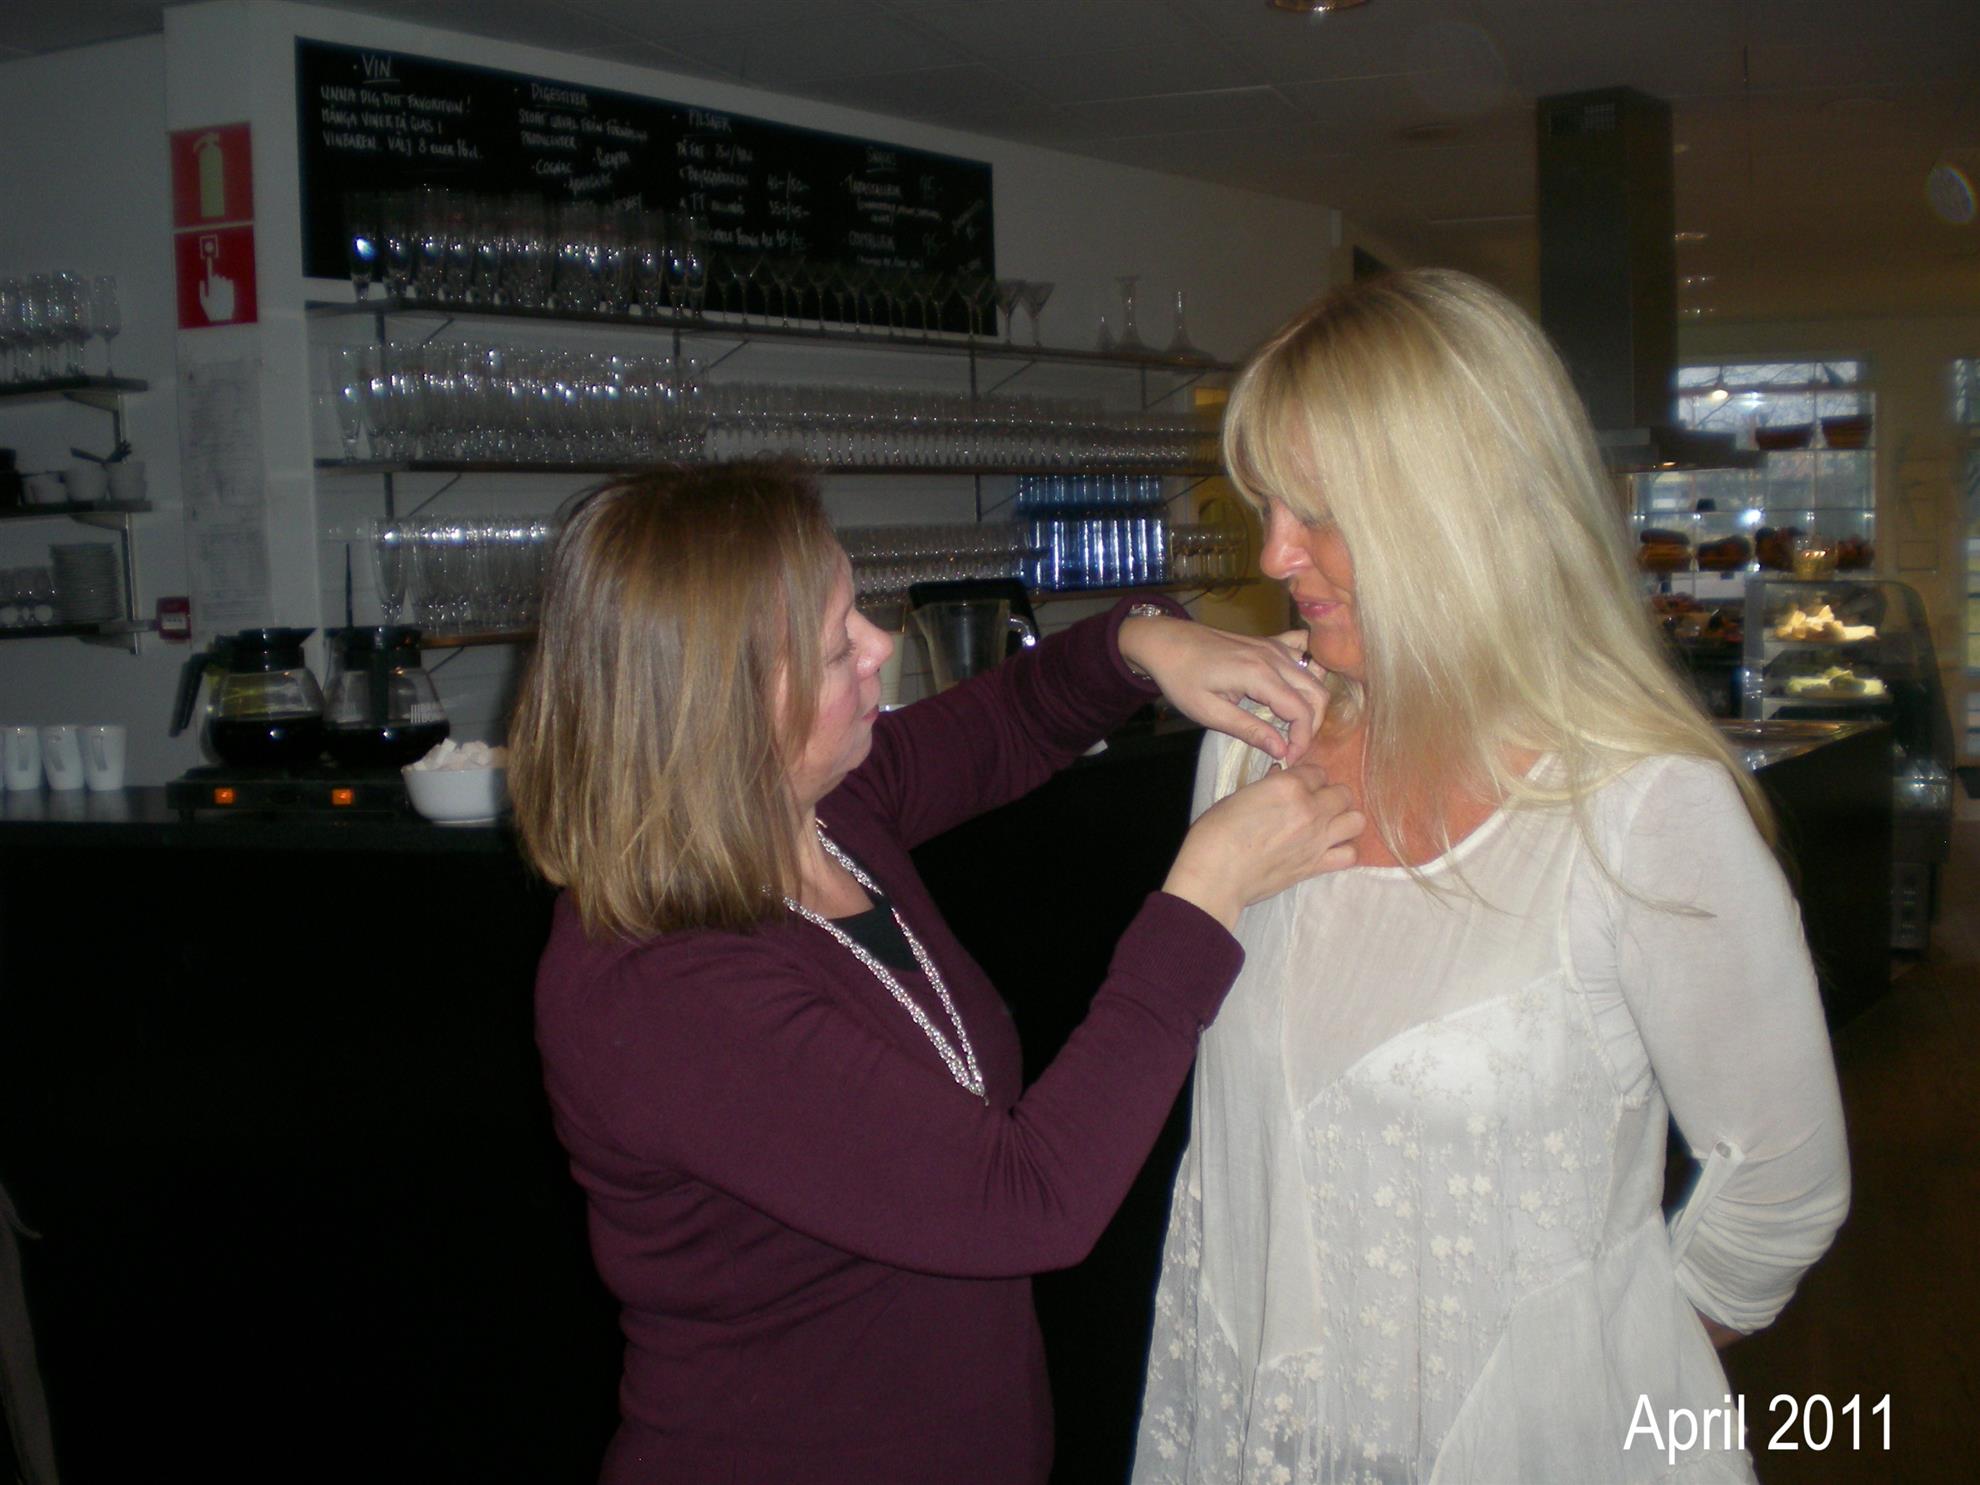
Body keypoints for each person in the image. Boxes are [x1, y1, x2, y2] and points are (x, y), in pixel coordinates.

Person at [506, 461, 1367, 1484]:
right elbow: (1030, 1201)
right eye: (837, 646)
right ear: (720, 710)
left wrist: (1145, 640)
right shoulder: (657, 989)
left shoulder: (817, 813)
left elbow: (1014, 717)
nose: (879, 645)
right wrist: (1206, 891)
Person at [1132, 271, 1850, 1484]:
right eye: (1267, 505)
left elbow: (1782, 1189)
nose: (1274, 552)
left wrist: (1584, 1374)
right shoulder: (1255, 741)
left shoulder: (1638, 806)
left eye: (1318, 512)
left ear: (1458, 511)